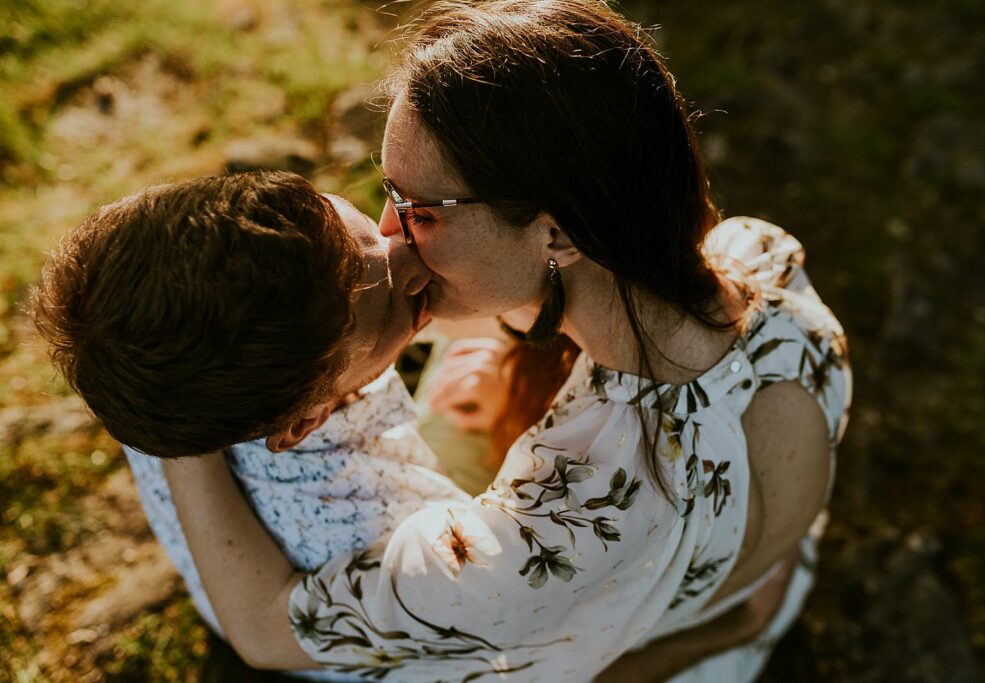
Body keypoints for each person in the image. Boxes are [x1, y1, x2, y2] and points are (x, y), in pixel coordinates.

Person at [162, 0, 852, 681]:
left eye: (419, 210)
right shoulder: (765, 259)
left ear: (557, 233)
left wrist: (172, 418)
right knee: (479, 358)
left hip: (660, 649)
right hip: (750, 585)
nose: (389, 234)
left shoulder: (562, 518)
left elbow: (265, 626)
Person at [30, 170, 780, 681]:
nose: (409, 251)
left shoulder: (149, 360)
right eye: (395, 301)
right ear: (308, 416)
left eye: (361, 223)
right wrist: (725, 628)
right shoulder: (405, 542)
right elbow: (533, 665)